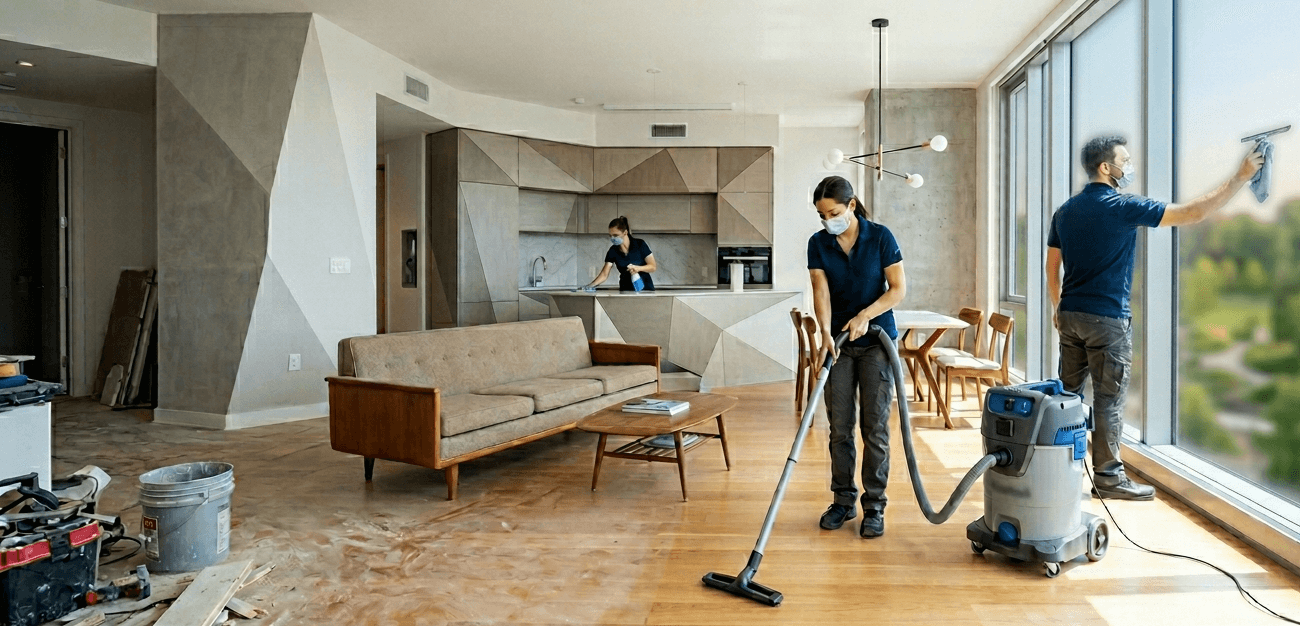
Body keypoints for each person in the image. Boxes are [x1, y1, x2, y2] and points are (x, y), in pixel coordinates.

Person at [1047, 136, 1264, 500]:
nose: (1128, 166)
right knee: (1108, 400)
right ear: (1106, 167)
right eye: (1124, 160)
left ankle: (1055, 469)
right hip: (1107, 320)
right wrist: (1240, 177)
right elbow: (1193, 213)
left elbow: (1053, 266)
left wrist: (1058, 307)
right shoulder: (1121, 205)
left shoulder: (1065, 211)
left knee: (1066, 396)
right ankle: (1109, 479)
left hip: (1070, 316)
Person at [807, 175, 907, 538]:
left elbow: (898, 289)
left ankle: (875, 507)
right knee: (839, 429)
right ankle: (843, 501)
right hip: (840, 345)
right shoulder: (819, 243)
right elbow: (820, 291)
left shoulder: (880, 236)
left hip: (878, 345)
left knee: (875, 428)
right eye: (821, 215)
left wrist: (866, 316)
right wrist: (824, 334)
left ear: (851, 205)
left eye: (832, 212)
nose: (827, 220)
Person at [585, 216, 656, 292]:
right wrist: (590, 286)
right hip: (625, 289)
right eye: (610, 236)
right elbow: (604, 274)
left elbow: (652, 267)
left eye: (615, 235)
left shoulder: (640, 244)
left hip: (646, 289)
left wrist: (638, 268)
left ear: (625, 232)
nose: (612, 238)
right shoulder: (613, 250)